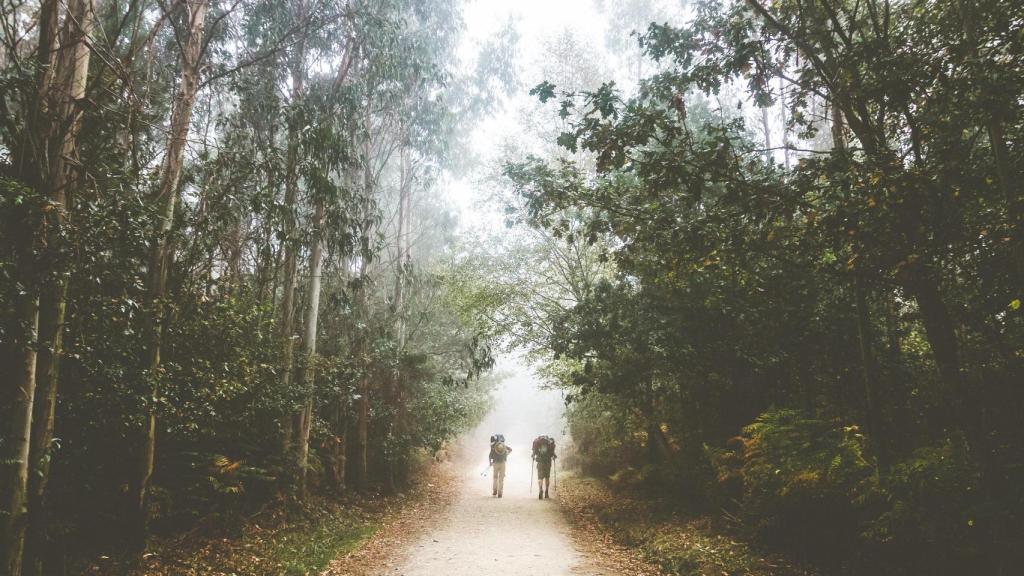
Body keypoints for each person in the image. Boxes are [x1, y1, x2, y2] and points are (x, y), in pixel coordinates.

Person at [532, 435, 556, 499]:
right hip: (548, 463)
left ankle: (540, 490)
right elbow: (553, 453)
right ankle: (546, 492)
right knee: (547, 477)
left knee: (540, 477)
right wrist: (554, 456)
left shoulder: (537, 443)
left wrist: (533, 456)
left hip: (540, 462)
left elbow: (534, 453)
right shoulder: (549, 443)